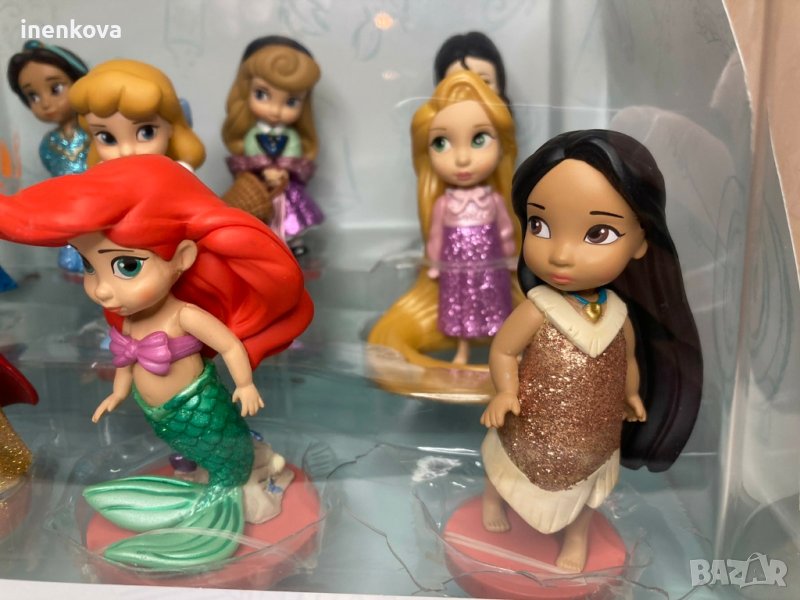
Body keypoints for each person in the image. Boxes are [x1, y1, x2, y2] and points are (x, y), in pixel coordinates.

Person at [0, 155, 313, 569]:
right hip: (163, 415)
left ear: (182, 258)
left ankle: (227, 495)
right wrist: (117, 392)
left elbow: (230, 346)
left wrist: (244, 384)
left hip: (200, 408)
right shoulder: (131, 320)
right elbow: (127, 359)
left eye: (126, 266)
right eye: (90, 266)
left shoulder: (184, 315)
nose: (102, 290)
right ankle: (210, 481)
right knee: (191, 451)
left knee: (222, 455)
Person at [480, 130, 702, 572]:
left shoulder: (619, 314)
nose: (561, 255)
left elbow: (628, 360)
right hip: (533, 424)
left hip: (594, 433)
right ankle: (492, 500)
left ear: (641, 241)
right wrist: (505, 392)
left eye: (597, 233)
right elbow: (504, 351)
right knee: (509, 467)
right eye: (540, 226)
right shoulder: (538, 308)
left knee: (586, 489)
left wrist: (631, 394)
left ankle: (576, 538)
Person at [369, 71, 519, 366]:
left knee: (495, 303)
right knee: (459, 306)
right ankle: (462, 350)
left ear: (502, 144)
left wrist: (511, 256)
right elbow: (436, 236)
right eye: (441, 143)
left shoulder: (494, 199)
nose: (462, 159)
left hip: (491, 266)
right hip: (456, 269)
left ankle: (502, 348)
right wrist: (435, 264)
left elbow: (505, 230)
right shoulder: (443, 204)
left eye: (479, 139)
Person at [222, 35, 322, 254]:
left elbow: (294, 155)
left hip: (284, 184)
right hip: (259, 185)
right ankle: (262, 241)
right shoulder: (252, 134)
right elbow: (251, 154)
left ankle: (291, 242)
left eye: (291, 101)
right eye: (262, 94)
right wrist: (265, 170)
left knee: (291, 212)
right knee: (258, 215)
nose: (275, 110)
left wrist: (284, 170)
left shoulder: (292, 136)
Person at [69, 59, 205, 170]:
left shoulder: (179, 176)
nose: (126, 152)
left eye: (147, 132)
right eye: (108, 138)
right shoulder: (101, 178)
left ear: (170, 128)